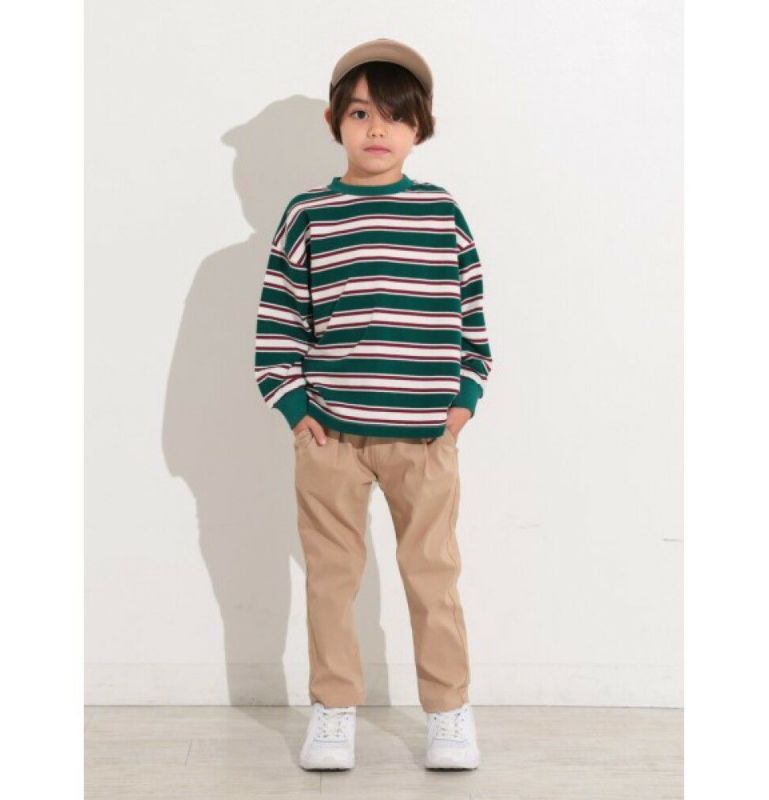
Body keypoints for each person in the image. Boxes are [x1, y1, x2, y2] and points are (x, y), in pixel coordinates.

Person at [253, 38, 493, 771]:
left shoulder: (442, 214)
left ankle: (448, 711)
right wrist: (298, 410)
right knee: (332, 580)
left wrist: (463, 400)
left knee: (433, 577)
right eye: (360, 113)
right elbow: (278, 325)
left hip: (425, 437)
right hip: (332, 437)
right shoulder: (309, 215)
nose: (377, 129)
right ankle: (333, 710)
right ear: (336, 122)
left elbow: (472, 322)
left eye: (396, 115)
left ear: (421, 127)